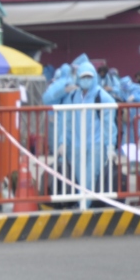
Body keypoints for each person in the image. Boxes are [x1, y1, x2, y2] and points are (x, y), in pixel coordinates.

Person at [45, 58, 117, 202]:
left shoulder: (102, 97)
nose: (86, 80)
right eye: (83, 77)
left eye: (89, 77)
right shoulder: (73, 97)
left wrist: (110, 146)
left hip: (96, 145)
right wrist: (63, 142)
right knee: (80, 180)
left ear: (94, 77)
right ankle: (83, 209)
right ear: (78, 77)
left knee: (88, 180)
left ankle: (83, 209)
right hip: (76, 146)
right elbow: (67, 122)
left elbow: (109, 124)